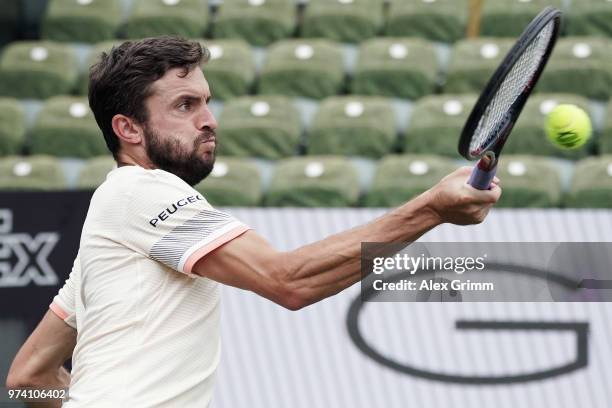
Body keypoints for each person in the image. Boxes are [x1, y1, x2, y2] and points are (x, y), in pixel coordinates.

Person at [6, 37, 501, 407]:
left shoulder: (110, 225)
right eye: (185, 105)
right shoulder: (143, 191)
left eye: (206, 101)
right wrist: (431, 209)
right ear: (128, 128)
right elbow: (289, 282)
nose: (210, 119)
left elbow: (27, 378)